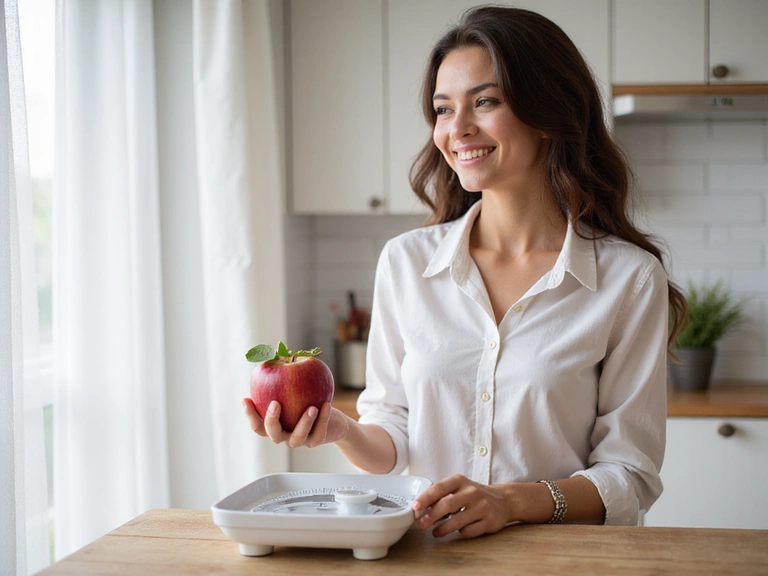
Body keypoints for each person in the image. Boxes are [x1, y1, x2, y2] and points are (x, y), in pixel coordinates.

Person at [243, 5, 686, 538]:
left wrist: (510, 502)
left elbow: (630, 476)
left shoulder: (628, 279)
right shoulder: (406, 262)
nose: (458, 129)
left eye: (485, 101)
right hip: (430, 557)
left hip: (561, 564)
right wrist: (340, 429)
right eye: (443, 109)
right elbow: (395, 437)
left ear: (549, 111)